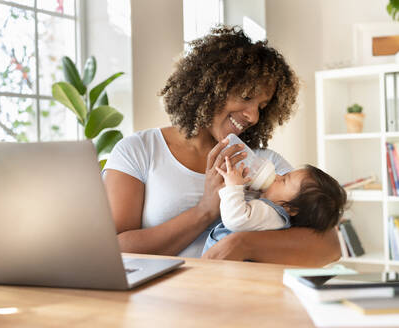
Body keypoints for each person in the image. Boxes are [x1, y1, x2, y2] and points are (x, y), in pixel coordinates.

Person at [102, 25, 341, 265]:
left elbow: (329, 245)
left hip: (238, 297)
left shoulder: (263, 163)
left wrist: (241, 244)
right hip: (161, 299)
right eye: (247, 97)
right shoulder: (140, 150)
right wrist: (204, 211)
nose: (254, 116)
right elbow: (114, 249)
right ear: (209, 88)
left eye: (261, 106)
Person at [202, 155, 347, 254]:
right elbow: (251, 210)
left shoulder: (273, 215)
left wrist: (233, 187)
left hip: (220, 264)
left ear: (291, 209)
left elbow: (236, 219)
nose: (277, 176)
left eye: (284, 180)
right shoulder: (272, 212)